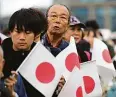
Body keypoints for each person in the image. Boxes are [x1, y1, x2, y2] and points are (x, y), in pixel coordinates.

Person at [2, 8, 47, 97]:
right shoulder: (1, 54)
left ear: (36, 35)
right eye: (18, 32)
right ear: (10, 32)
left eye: (27, 32)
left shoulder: (43, 56)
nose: (22, 37)